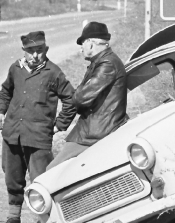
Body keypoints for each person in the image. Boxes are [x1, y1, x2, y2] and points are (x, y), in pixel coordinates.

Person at [0, 31, 77, 223]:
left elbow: (72, 99)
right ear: (24, 51)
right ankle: (13, 222)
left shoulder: (53, 73)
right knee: (13, 178)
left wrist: (58, 125)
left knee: (40, 181)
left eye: (39, 50)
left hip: (38, 137)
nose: (35, 55)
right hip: (13, 133)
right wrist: (0, 112)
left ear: (46, 50)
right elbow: (5, 92)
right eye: (31, 51)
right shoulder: (16, 69)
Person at [46, 21, 128, 170]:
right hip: (94, 129)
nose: (81, 49)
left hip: (95, 132)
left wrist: (77, 93)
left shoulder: (107, 64)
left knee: (52, 172)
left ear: (90, 43)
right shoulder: (101, 62)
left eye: (82, 44)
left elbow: (80, 97)